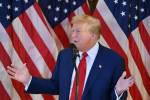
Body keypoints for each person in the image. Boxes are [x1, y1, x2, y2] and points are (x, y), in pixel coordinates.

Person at [7, 15, 134, 100]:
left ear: (93, 35)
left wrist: (118, 90)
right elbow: (55, 86)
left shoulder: (113, 61)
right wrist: (28, 80)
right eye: (72, 31)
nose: (73, 36)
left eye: (78, 31)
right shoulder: (65, 55)